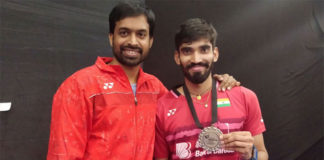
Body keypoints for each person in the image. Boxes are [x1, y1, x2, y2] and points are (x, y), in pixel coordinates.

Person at [47, 3, 239, 160]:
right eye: (124, 33)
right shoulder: (80, 86)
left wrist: (220, 83)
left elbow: (189, 104)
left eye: (141, 34)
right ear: (111, 37)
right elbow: (62, 155)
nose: (133, 42)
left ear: (150, 41)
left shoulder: (155, 88)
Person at [154, 18, 268, 160]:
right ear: (177, 57)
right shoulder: (161, 108)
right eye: (187, 51)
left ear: (215, 54)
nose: (196, 59)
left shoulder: (245, 97)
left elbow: (262, 154)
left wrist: (250, 154)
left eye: (204, 50)